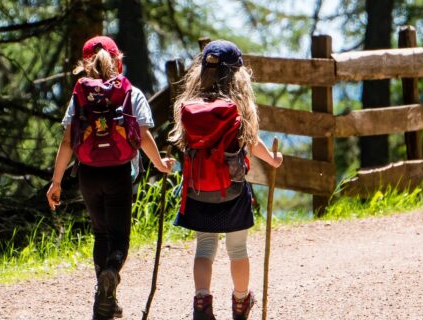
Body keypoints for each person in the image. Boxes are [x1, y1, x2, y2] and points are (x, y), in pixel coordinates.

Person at [46, 35, 174, 320]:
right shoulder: (130, 92)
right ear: (118, 61)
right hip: (119, 173)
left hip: (88, 173)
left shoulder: (79, 96)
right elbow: (142, 136)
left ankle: (104, 298)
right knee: (120, 239)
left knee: (100, 233)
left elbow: (68, 141)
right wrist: (161, 164)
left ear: (84, 65)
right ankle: (111, 275)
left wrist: (56, 182)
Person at [169, 40, 283, 320]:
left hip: (196, 191)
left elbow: (183, 145)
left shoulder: (188, 106)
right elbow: (251, 142)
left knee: (205, 247)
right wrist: (272, 160)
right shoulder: (238, 105)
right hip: (231, 191)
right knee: (237, 248)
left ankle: (201, 302)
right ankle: (241, 302)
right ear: (237, 74)